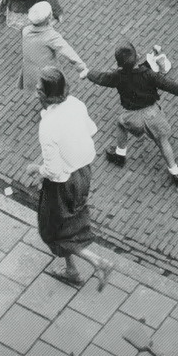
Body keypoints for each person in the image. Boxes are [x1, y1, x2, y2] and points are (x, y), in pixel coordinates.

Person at [24, 67, 114, 289]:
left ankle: (97, 262)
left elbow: (53, 172)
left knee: (53, 231)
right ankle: (71, 270)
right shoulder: (75, 103)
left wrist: (37, 168)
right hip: (83, 174)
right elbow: (91, 130)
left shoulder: (48, 125)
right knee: (68, 223)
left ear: (46, 94)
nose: (35, 92)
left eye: (38, 89)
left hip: (62, 184)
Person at [81, 42, 178, 186]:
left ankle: (120, 154)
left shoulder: (117, 76)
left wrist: (88, 73)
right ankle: (175, 172)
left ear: (118, 64)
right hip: (153, 114)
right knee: (162, 141)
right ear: (137, 57)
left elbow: (101, 78)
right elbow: (169, 85)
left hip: (133, 117)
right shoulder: (148, 74)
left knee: (121, 123)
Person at [20, 2, 86, 93]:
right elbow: (66, 50)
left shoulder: (26, 31)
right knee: (58, 93)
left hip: (31, 72)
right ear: (49, 17)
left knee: (41, 93)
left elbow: (41, 29)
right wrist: (81, 67)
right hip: (49, 75)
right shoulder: (51, 36)